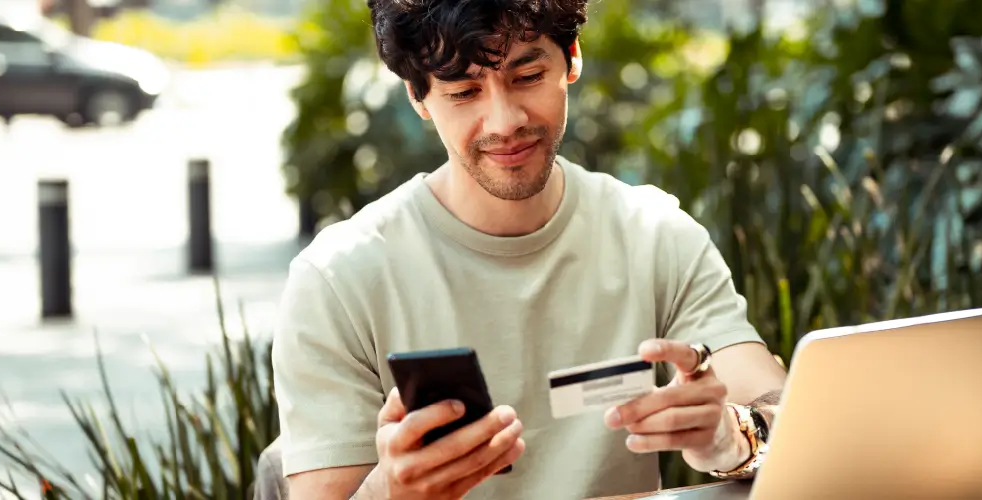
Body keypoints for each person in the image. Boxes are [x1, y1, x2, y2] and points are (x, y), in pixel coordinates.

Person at [270, 1, 789, 498]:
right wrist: (393, 493)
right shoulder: (338, 278)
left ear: (572, 59)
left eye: (526, 77)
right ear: (417, 95)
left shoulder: (654, 236)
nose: (504, 121)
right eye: (463, 91)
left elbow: (788, 419)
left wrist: (729, 435)